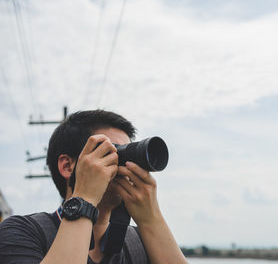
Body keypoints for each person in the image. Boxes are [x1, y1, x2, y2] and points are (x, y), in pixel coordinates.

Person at [0, 110, 188, 264]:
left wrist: (151, 219)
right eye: (108, 152)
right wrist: (84, 200)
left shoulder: (140, 242)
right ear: (67, 166)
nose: (121, 165)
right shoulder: (21, 233)